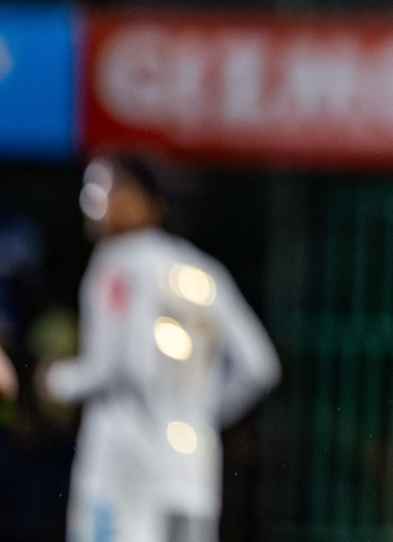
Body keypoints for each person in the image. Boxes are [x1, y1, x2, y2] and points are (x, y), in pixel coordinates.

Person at [42, 154, 281, 542]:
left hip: (124, 467)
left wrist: (58, 380)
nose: (94, 202)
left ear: (148, 201)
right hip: (191, 466)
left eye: (107, 188)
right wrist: (202, 416)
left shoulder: (118, 262)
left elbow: (120, 365)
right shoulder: (202, 270)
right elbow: (260, 366)